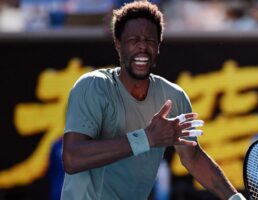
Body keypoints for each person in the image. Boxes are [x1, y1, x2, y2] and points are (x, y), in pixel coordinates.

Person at [60, 1, 245, 200]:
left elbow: (193, 158)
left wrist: (234, 198)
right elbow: (72, 158)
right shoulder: (93, 86)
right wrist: (146, 138)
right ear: (118, 44)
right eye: (133, 40)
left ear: (158, 47)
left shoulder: (174, 97)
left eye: (150, 40)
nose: (142, 46)